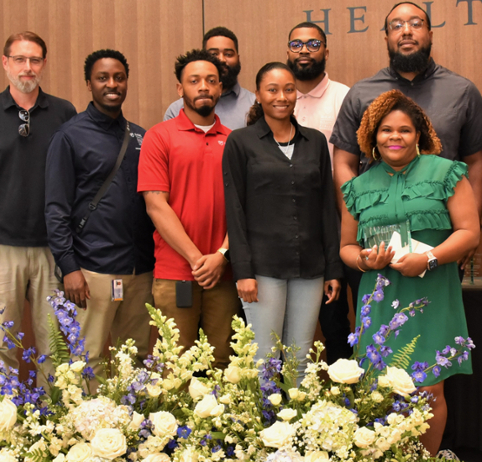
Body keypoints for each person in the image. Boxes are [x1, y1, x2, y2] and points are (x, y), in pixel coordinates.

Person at [339, 90, 479, 457]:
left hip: (432, 290)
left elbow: (469, 233)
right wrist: (365, 262)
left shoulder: (446, 172)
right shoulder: (357, 187)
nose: (395, 137)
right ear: (373, 137)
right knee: (381, 387)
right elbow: (346, 248)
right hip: (380, 296)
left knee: (428, 388)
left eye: (404, 130)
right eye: (386, 130)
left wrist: (429, 259)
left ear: (419, 135)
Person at [0, 31, 76, 386]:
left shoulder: (64, 112)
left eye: (34, 59)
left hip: (51, 251)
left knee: (56, 346)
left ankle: (52, 430)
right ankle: (4, 432)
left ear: (44, 64)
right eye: (20, 59)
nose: (27, 67)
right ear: (5, 62)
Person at [331, 1, 482, 269]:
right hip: (375, 241)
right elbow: (344, 164)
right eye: (396, 26)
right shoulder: (360, 94)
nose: (406, 31)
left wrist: (467, 232)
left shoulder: (462, 91)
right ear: (386, 38)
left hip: (442, 241)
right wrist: (357, 223)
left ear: (430, 34)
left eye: (416, 24)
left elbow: (475, 162)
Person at [223, 62, 343, 378]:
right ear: (259, 95)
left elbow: (326, 210)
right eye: (272, 90)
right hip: (262, 269)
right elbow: (234, 211)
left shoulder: (315, 142)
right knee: (265, 361)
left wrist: (333, 269)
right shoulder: (240, 142)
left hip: (311, 268)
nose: (282, 96)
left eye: (288, 89)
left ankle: (296, 428)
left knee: (300, 359)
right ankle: (264, 427)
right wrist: (242, 271)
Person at [45, 49, 154, 382]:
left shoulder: (141, 136)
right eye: (103, 78)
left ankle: (132, 433)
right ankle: (85, 434)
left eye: (119, 78)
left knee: (134, 359)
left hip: (140, 270)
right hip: (92, 271)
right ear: (88, 84)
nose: (112, 84)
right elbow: (55, 208)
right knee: (87, 359)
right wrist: (69, 267)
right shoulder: (69, 136)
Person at [138, 49, 239, 369]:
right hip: (176, 273)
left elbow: (244, 207)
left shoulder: (236, 142)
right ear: (180, 89)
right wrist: (198, 260)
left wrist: (220, 256)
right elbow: (155, 205)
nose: (204, 87)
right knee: (174, 367)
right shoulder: (159, 137)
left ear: (221, 88)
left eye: (211, 81)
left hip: (224, 273)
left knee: (223, 364)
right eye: (194, 81)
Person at [287, 21, 352, 364]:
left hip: (334, 224)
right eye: (296, 44)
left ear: (326, 51)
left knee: (334, 323)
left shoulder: (346, 97)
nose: (304, 50)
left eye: (313, 44)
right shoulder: (277, 98)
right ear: (287, 52)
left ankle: (345, 405)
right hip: (285, 227)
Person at [164, 27, 254, 130]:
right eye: (214, 54)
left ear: (238, 58)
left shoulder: (254, 105)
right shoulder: (176, 110)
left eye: (228, 54)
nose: (221, 59)